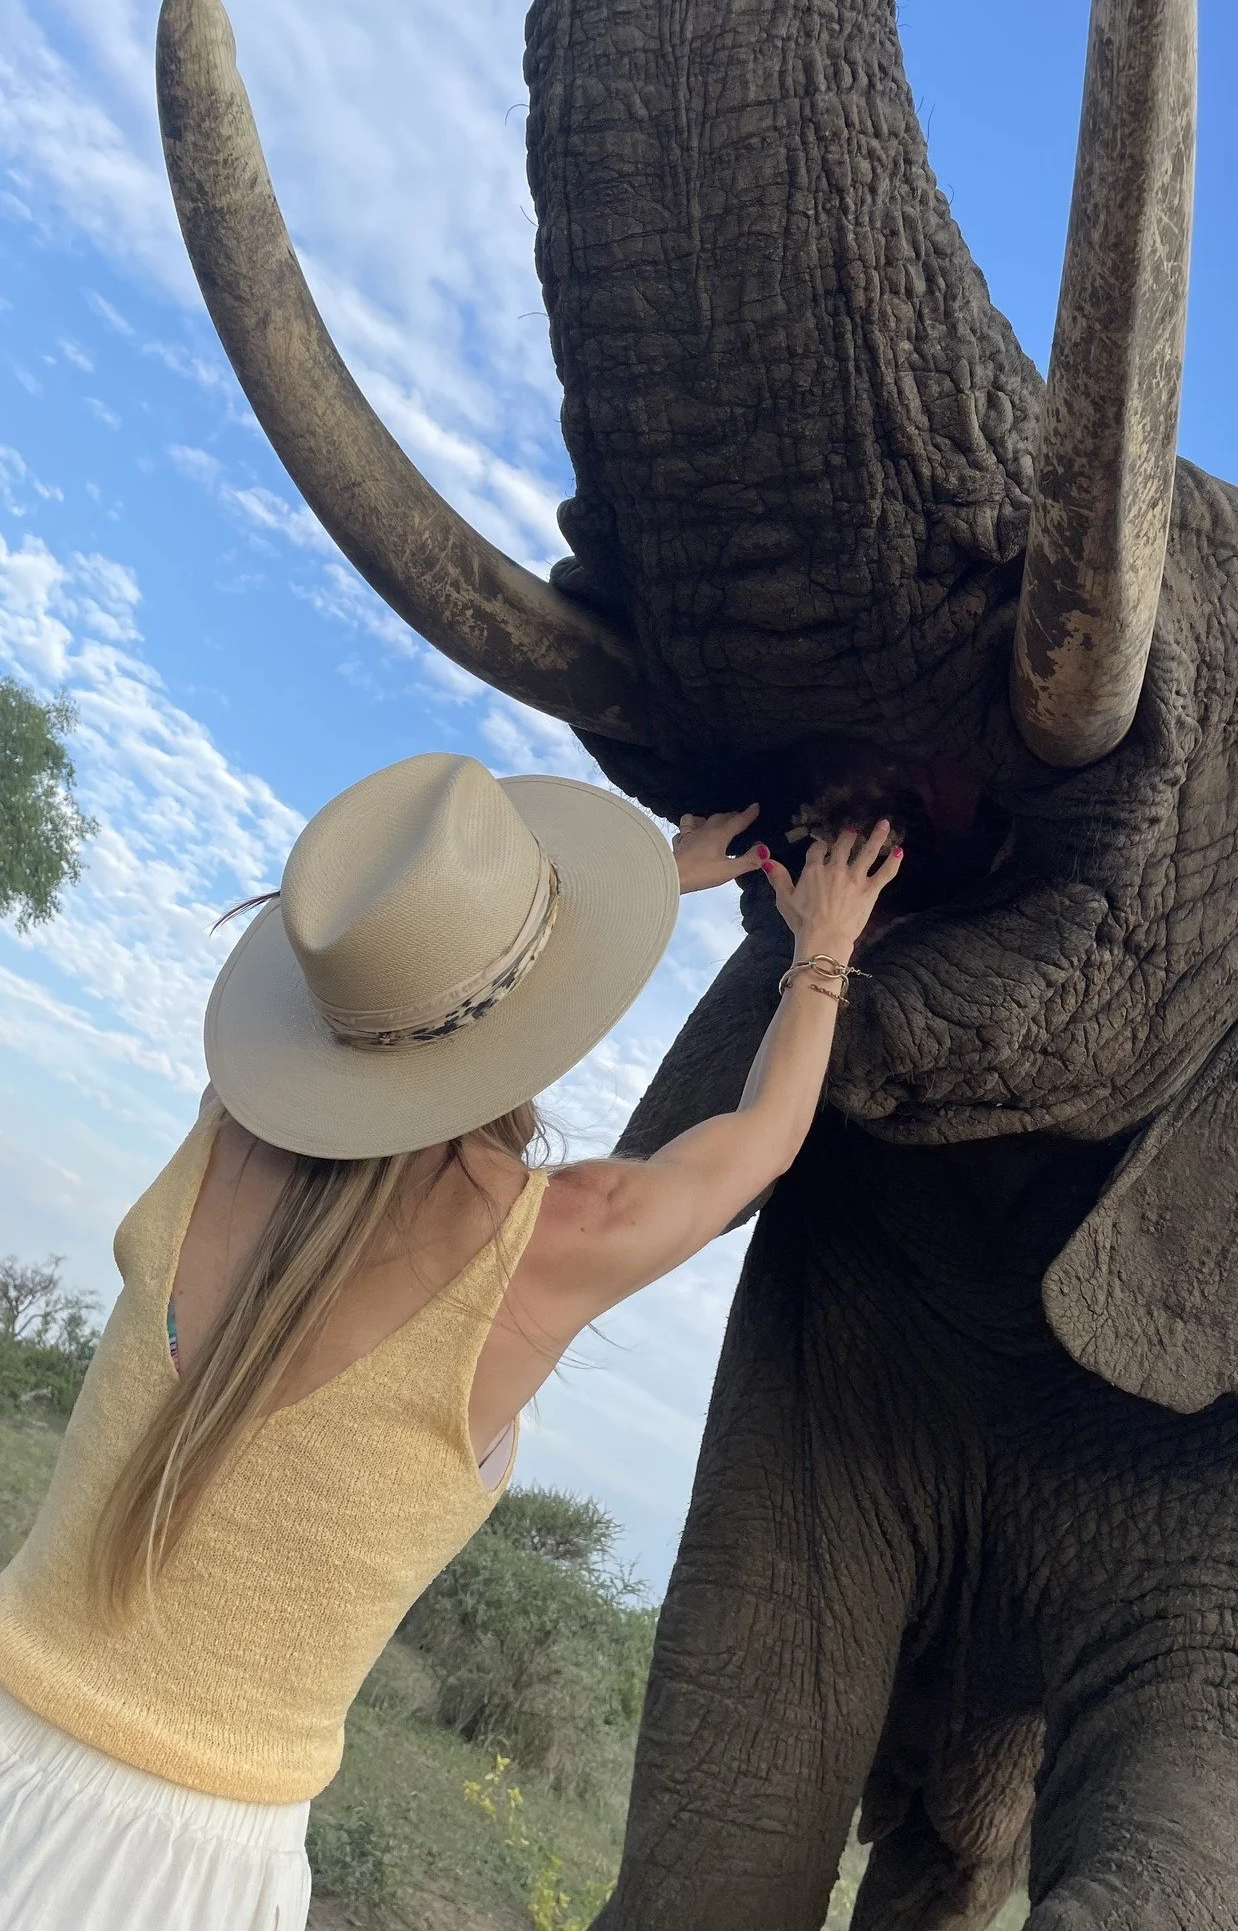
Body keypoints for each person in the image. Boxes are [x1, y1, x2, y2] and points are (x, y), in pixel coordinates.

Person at [0, 752, 902, 1930]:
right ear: (547, 1005)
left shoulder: (221, 1131)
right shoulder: (550, 1241)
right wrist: (821, 944)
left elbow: (375, 1054)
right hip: (183, 1870)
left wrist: (604, 909)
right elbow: (766, 1136)